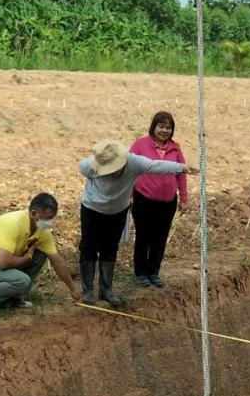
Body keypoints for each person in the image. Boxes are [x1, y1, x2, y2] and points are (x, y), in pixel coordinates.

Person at [78, 140, 197, 307]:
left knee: (110, 248)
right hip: (92, 208)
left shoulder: (133, 162)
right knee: (88, 247)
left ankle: (106, 290)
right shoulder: (90, 165)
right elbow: (81, 169)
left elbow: (156, 166)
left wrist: (182, 168)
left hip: (118, 211)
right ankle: (88, 291)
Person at [0, 192, 80, 317]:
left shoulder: (42, 232)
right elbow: (3, 263)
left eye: (52, 218)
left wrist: (73, 288)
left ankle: (13, 299)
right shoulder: (13, 223)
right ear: (34, 214)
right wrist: (27, 258)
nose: (50, 222)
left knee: (40, 254)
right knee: (22, 280)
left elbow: (56, 260)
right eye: (48, 218)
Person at [128, 111, 190, 288]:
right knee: (143, 236)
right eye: (161, 126)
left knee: (160, 238)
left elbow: (181, 173)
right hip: (144, 199)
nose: (164, 130)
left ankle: (153, 272)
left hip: (167, 202)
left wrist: (183, 198)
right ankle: (140, 273)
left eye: (168, 127)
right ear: (154, 126)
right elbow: (129, 170)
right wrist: (128, 195)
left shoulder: (175, 148)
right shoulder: (140, 145)